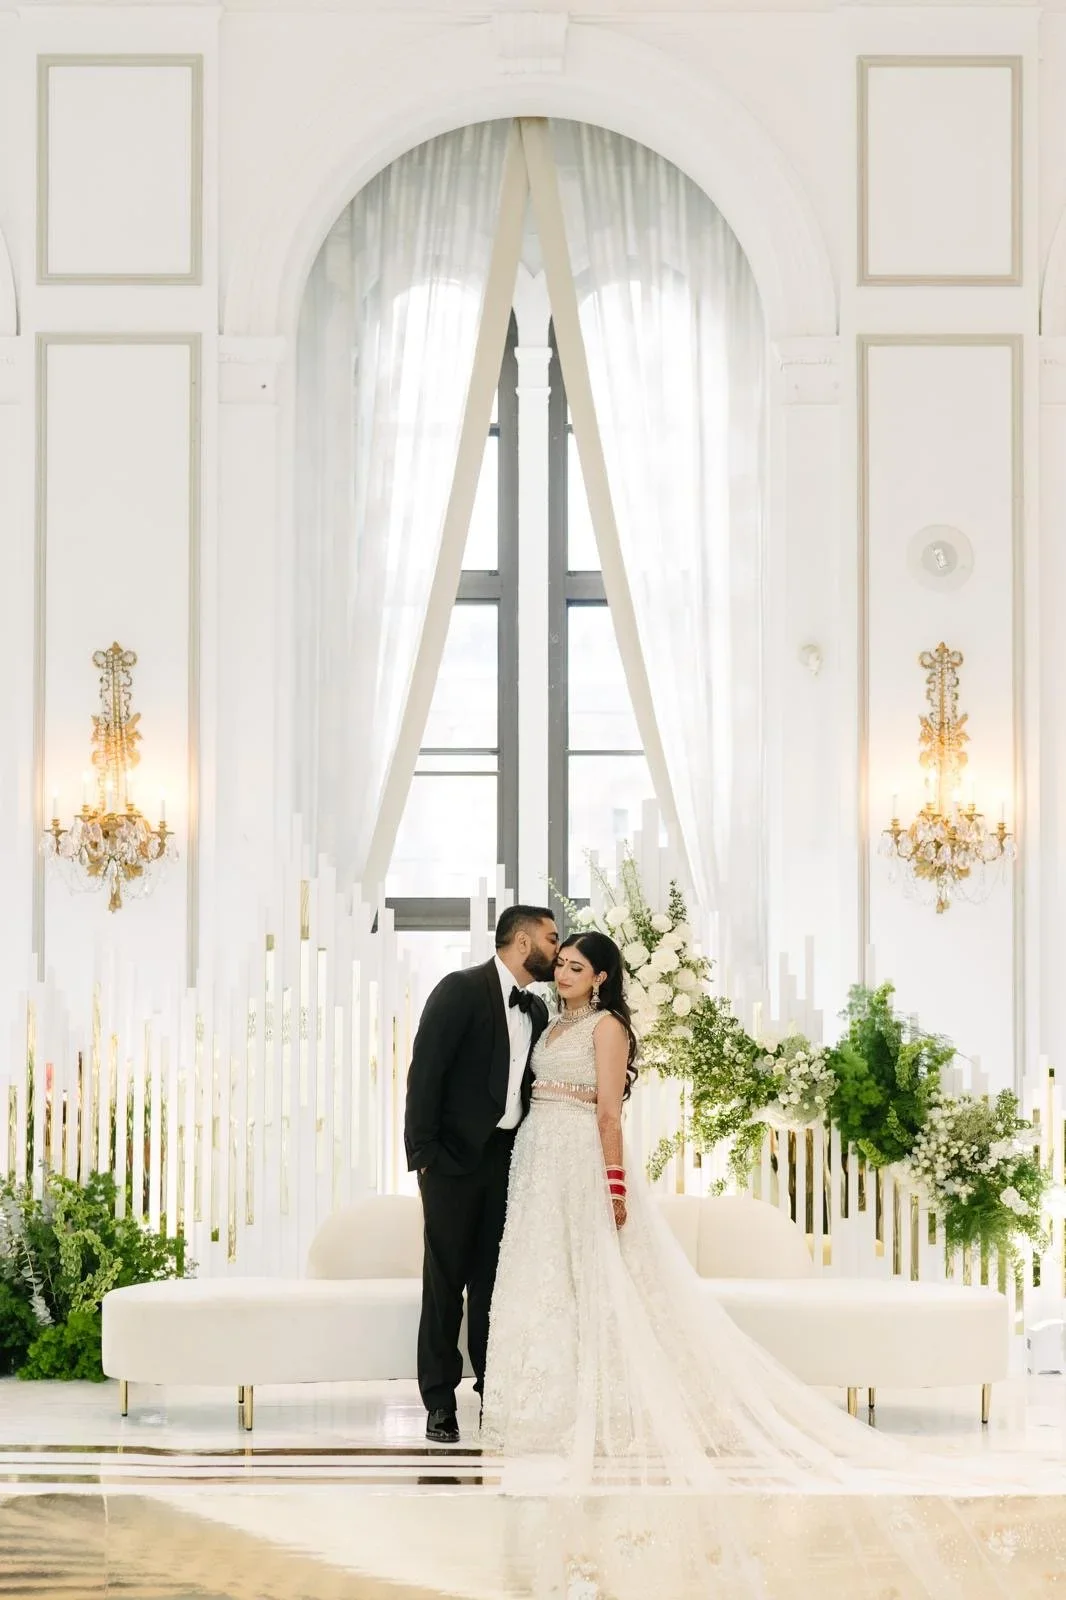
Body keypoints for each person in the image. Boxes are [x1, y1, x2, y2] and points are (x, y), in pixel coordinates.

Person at [480, 930, 1066, 1596]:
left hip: (582, 1166)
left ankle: (605, 1408)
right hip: (538, 1163)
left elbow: (610, 1114)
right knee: (545, 1284)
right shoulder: (554, 1025)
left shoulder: (608, 1029)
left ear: (604, 978)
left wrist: (614, 1187)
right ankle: (544, 1403)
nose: (562, 973)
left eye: (575, 967)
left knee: (598, 1286)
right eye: (560, 964)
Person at [404, 904, 558, 1444]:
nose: (557, 949)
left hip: (506, 1161)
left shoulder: (536, 1011)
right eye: (550, 937)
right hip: (450, 1162)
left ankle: (494, 1390)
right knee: (445, 1282)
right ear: (521, 942)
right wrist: (424, 1154)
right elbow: (426, 1072)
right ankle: (439, 1403)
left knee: (495, 1282)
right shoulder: (459, 989)